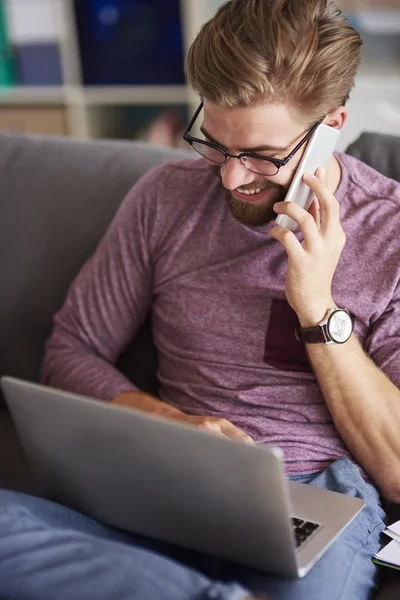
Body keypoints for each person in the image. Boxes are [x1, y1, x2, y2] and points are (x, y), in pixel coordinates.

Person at [1, 0, 400, 598]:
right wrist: (173, 422)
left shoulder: (390, 233)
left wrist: (319, 310)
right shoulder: (165, 197)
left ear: (332, 127)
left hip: (315, 491)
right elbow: (72, 350)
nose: (231, 179)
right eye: (213, 143)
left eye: (263, 158)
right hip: (168, 473)